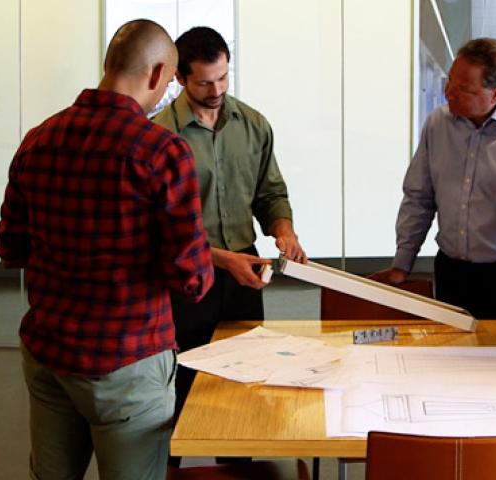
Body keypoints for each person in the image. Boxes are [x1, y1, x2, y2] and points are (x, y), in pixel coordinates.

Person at [0, 19, 214, 480]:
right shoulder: (163, 152)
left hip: (50, 354)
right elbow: (192, 279)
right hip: (128, 361)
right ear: (157, 75)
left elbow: (10, 247)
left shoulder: (38, 139)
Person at [151, 26, 306, 465]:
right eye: (204, 82)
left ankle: (237, 467)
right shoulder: (159, 136)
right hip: (184, 283)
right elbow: (162, 228)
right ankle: (169, 470)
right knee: (178, 388)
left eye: (223, 78)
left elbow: (270, 193)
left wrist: (285, 230)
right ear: (179, 78)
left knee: (243, 385)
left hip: (244, 279)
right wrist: (220, 260)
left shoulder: (254, 125)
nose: (216, 90)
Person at [372, 38, 496, 333]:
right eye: (450, 81)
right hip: (451, 272)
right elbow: (418, 198)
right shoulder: (438, 123)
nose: (448, 93)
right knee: (450, 361)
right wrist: (402, 263)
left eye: (464, 88)